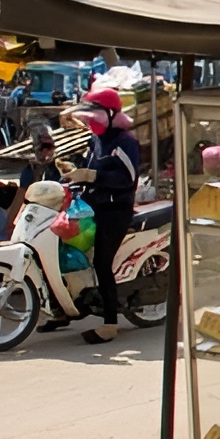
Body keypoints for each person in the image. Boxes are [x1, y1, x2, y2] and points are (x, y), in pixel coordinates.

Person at [65, 87, 142, 344]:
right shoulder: (96, 140)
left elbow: (127, 179)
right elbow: (89, 167)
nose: (90, 122)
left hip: (116, 211)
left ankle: (110, 324)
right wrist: (75, 173)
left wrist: (94, 176)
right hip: (92, 206)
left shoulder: (125, 142)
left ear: (110, 114)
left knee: (101, 263)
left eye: (94, 116)